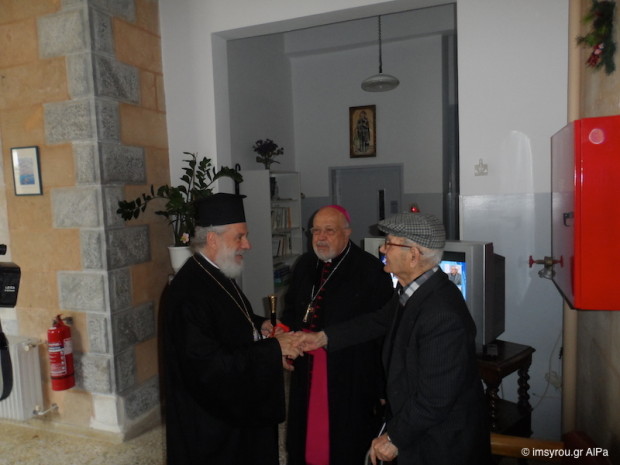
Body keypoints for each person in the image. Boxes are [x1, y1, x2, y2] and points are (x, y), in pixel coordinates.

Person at [301, 212, 491, 465]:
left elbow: (435, 399)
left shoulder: (442, 315)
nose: (382, 249)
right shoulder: (412, 289)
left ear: (413, 255)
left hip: (441, 443)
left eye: (389, 243)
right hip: (423, 428)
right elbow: (378, 321)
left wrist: (395, 438)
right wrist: (323, 338)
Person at [162, 192, 303, 465]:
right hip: (212, 425)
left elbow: (229, 316)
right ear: (212, 239)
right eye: (239, 237)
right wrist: (273, 349)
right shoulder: (188, 292)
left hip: (233, 413)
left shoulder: (216, 271)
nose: (247, 245)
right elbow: (208, 367)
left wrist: (260, 325)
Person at [280, 205, 394, 465]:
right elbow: (292, 311)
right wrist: (285, 342)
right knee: (303, 435)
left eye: (329, 231)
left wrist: (382, 386)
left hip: (350, 370)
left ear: (347, 232)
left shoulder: (371, 270)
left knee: (345, 441)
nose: (320, 237)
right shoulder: (304, 264)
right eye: (316, 231)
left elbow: (382, 330)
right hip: (306, 365)